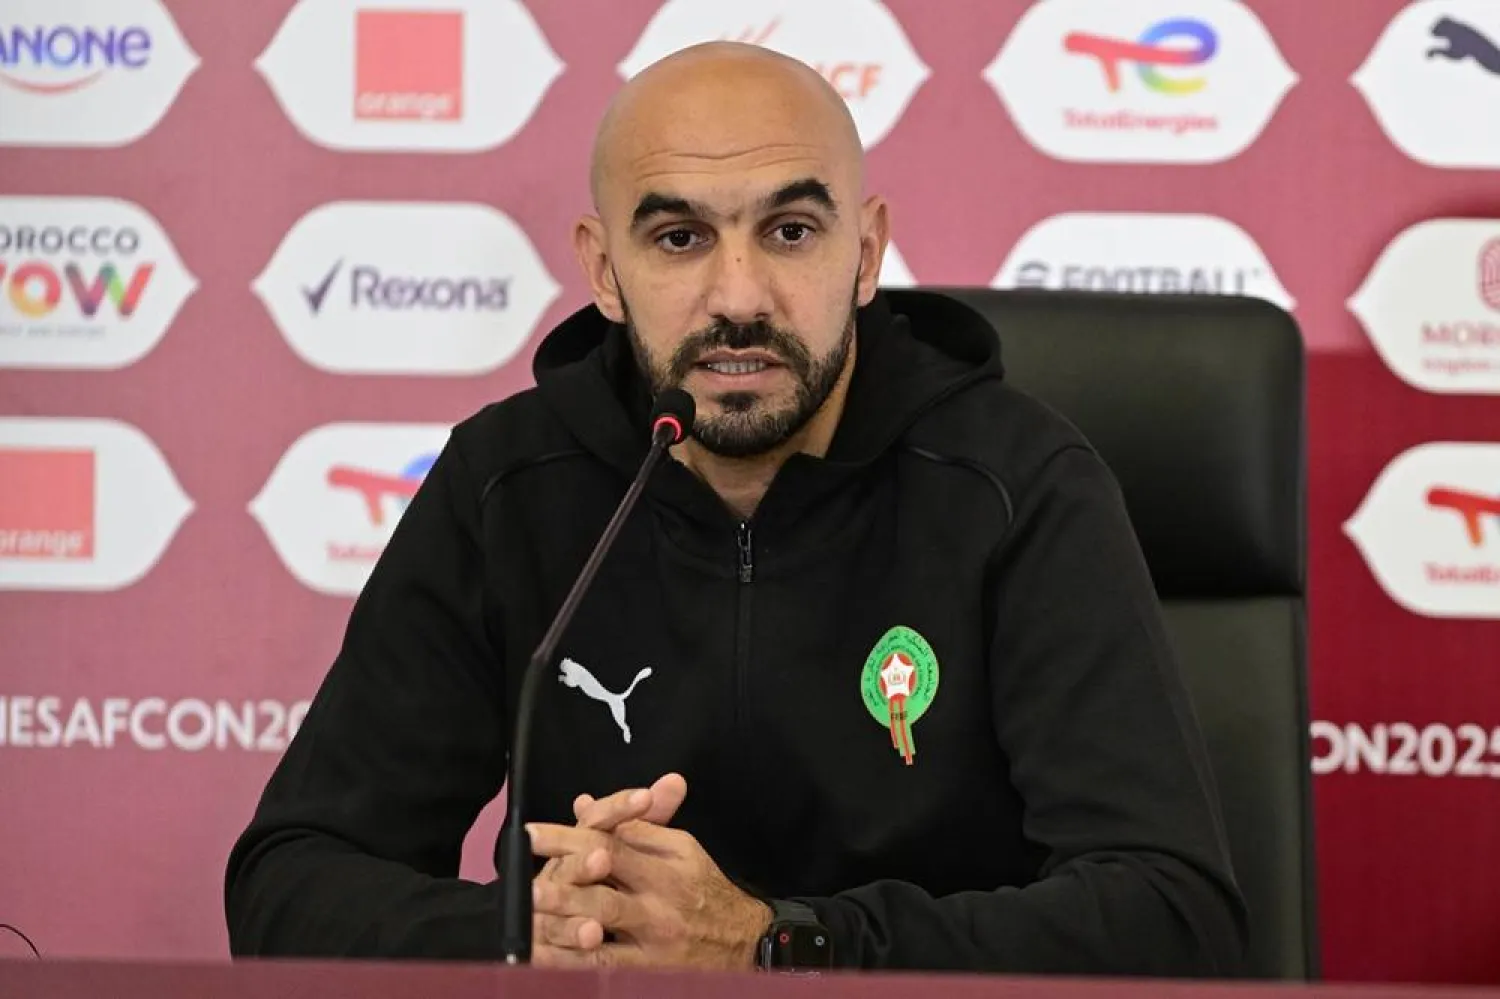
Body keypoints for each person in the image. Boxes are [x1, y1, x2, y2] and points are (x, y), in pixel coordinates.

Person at [224, 41, 1248, 975]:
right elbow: (290, 881)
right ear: (603, 272)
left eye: (791, 230)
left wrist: (779, 943)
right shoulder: (509, 483)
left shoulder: (1017, 483)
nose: (741, 296)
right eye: (678, 238)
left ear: (866, 252)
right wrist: (526, 936)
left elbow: (1172, 915)